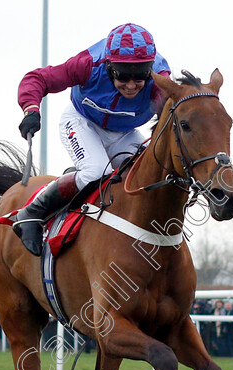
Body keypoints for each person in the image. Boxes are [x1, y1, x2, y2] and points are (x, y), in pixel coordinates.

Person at [14, 23, 171, 256]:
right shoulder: (87, 64)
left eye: (140, 77)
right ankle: (31, 213)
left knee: (147, 176)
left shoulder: (160, 79)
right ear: (108, 66)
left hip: (124, 134)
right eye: (123, 75)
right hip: (81, 122)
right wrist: (31, 109)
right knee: (96, 172)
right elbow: (37, 78)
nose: (131, 85)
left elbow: (174, 114)